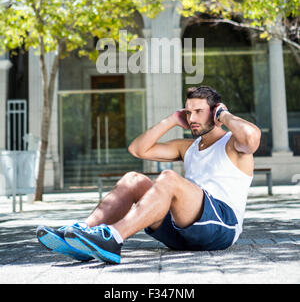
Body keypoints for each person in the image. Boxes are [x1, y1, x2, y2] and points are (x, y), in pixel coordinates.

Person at [36, 85, 261, 264]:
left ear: (215, 111)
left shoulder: (233, 144)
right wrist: (172, 120)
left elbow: (252, 138)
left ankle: (113, 237)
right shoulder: (188, 147)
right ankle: (82, 234)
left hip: (221, 226)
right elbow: (138, 150)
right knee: (133, 179)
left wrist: (225, 114)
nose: (191, 118)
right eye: (188, 112)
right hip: (181, 231)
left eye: (198, 112)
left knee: (168, 178)